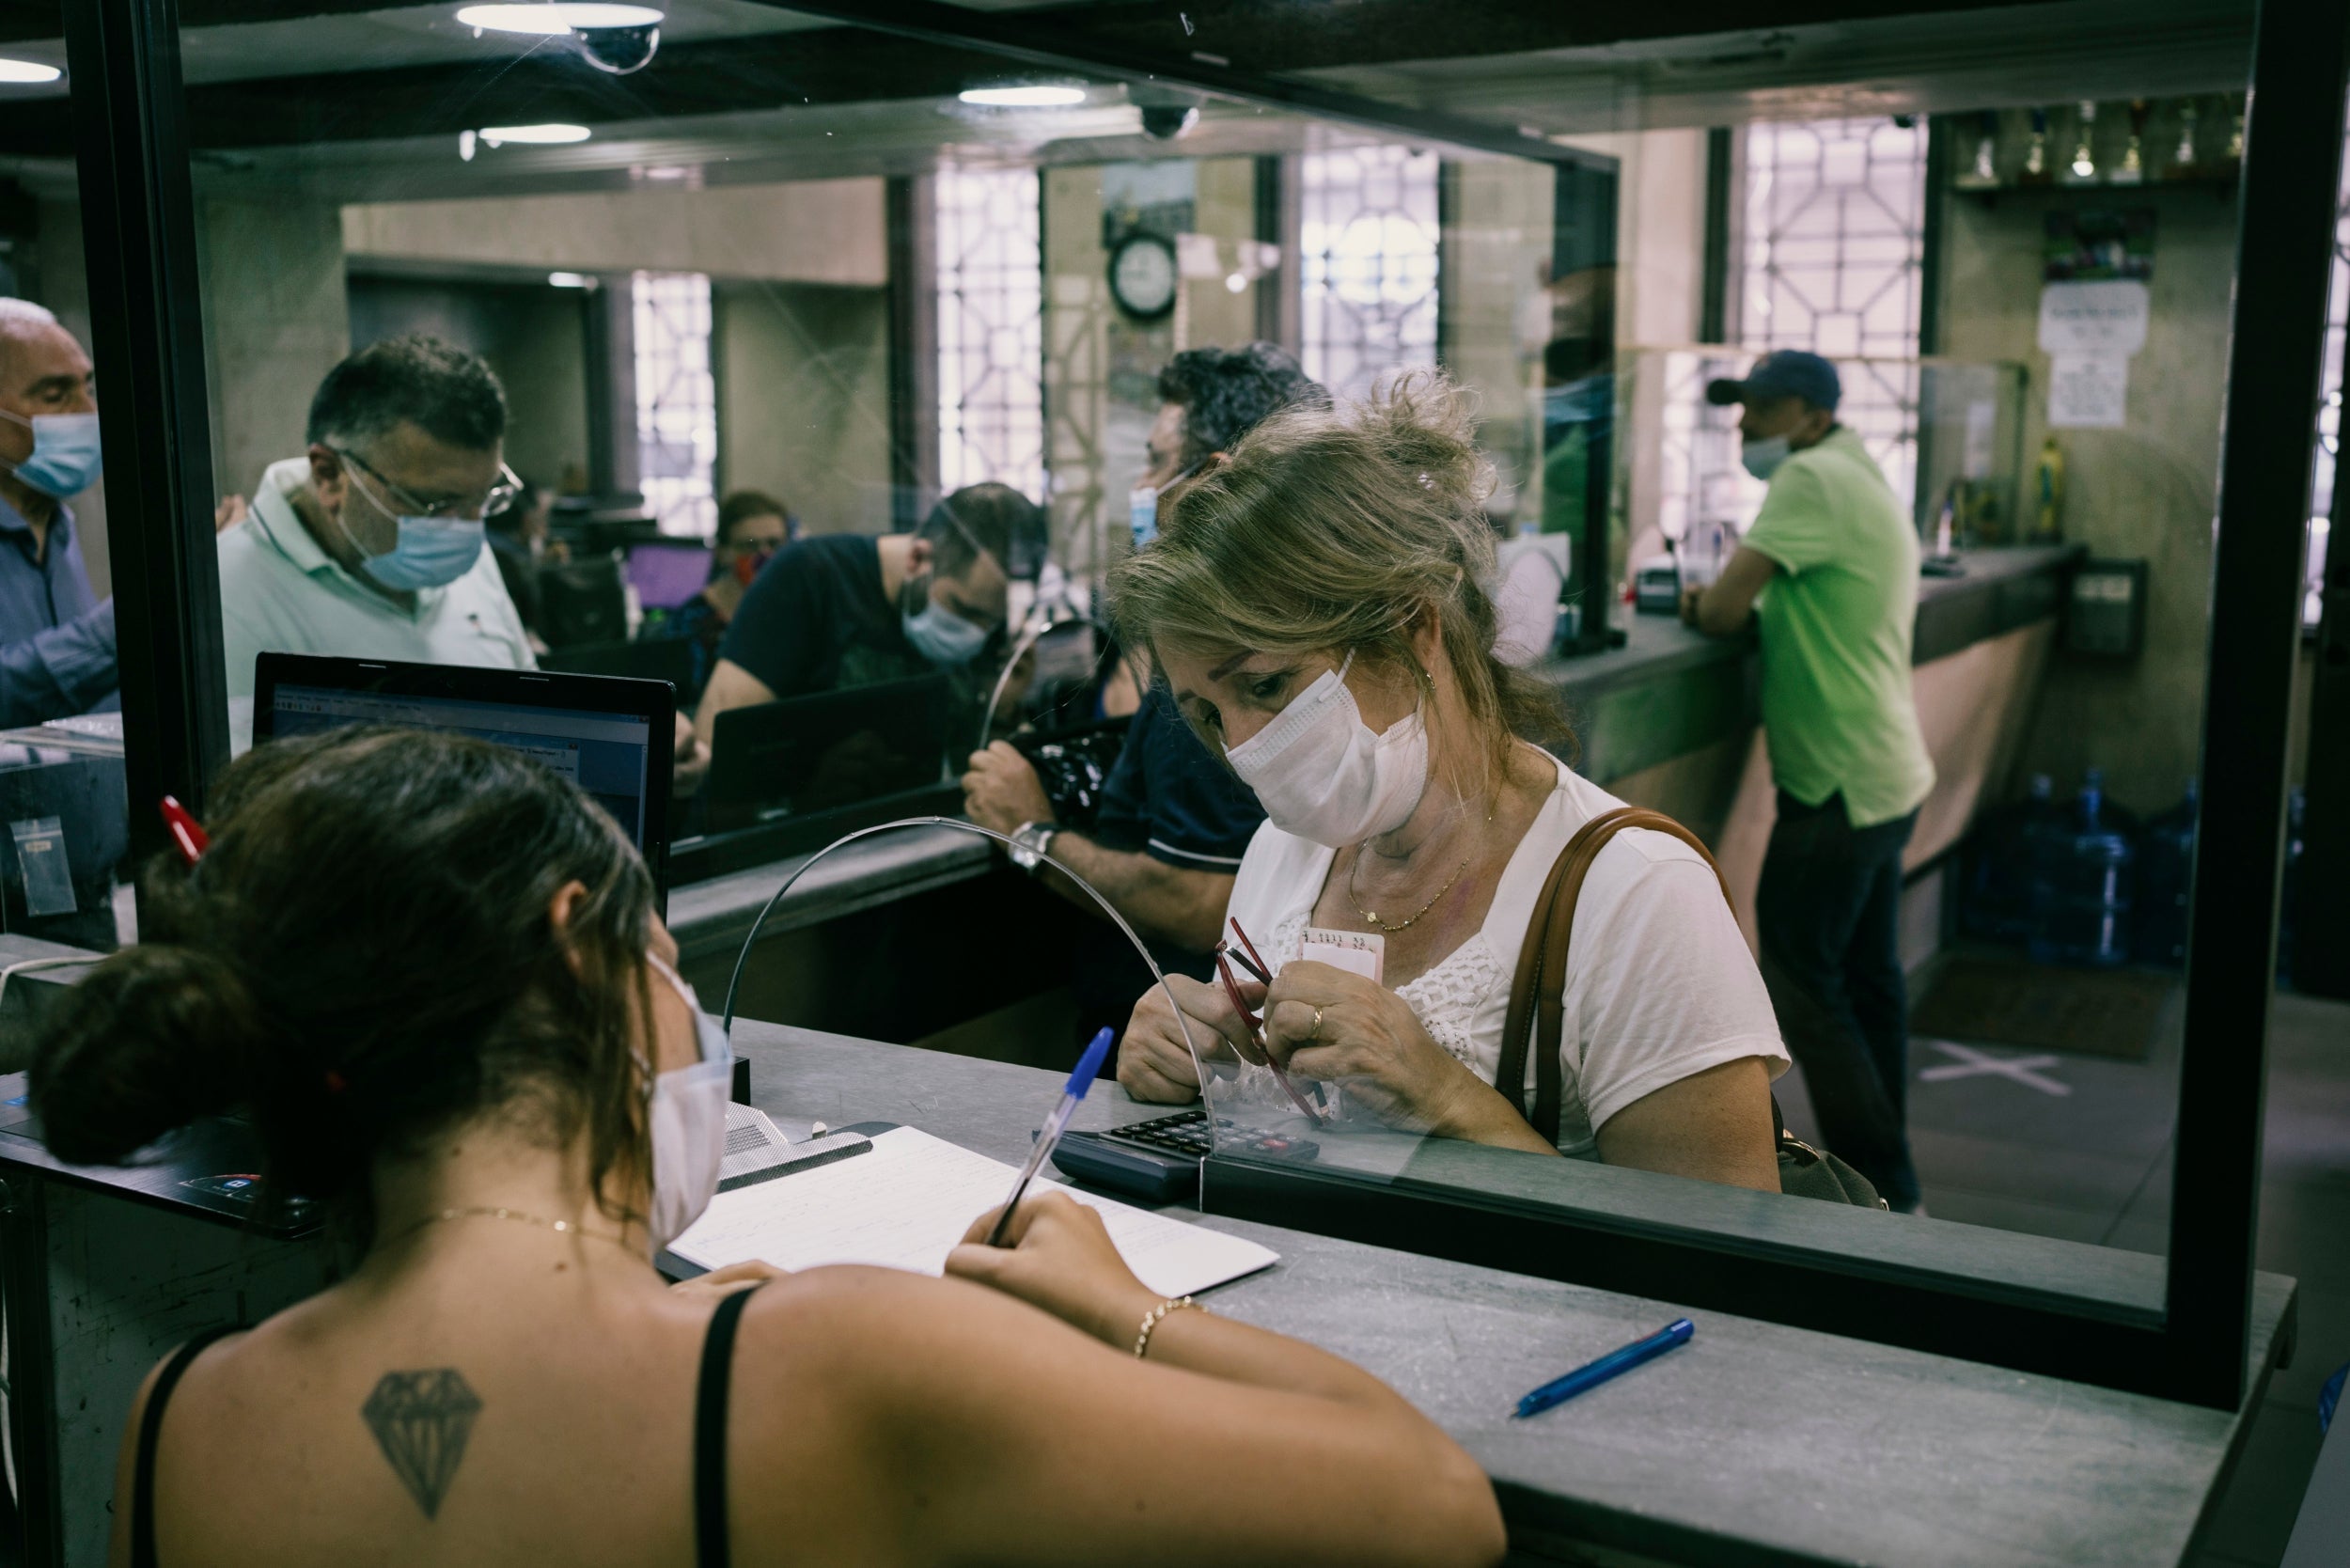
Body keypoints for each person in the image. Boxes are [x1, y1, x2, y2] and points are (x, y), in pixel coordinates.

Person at [30, 728, 1504, 1568]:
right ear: (579, 957)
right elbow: (1437, 1515)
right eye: (661, 958)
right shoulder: (815, 1360)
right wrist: (1114, 1299)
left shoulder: (179, 1423)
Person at [1111, 373, 1786, 1191]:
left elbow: (1721, 1265)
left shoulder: (1637, 895)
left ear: (1412, 626)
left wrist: (1443, 1097)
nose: (1246, 750)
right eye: (1209, 714)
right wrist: (1191, 1066)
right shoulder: (1281, 858)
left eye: (1264, 686)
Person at [961, 346, 1322, 960]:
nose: (1142, 488)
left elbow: (1206, 905)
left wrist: (1032, 834)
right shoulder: (1297, 624)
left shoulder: (1213, 667)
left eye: (1156, 463)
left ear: (1213, 480)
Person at [1681, 349, 1935, 1213]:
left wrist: (1704, 604)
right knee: (1867, 982)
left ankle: (1883, 1191)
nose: (1744, 426)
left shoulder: (1811, 482)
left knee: (1802, 980)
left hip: (1836, 785)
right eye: (1741, 407)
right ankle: (1901, 1187)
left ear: (1811, 416)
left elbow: (1720, 608)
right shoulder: (1858, 471)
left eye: (1760, 410)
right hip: (1884, 771)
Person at [215, 335, 536, 702]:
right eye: (437, 502)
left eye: (483, 497)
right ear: (330, 475)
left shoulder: (467, 549)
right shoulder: (227, 600)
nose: (467, 526)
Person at [694, 483, 1042, 754]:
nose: (976, 633)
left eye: (992, 621)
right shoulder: (809, 579)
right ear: (918, 559)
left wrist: (1001, 708)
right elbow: (717, 741)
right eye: (964, 610)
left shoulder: (987, 608)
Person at [0, 299, 115, 715]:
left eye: (88, 389)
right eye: (55, 395)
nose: (89, 413)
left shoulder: (57, 522)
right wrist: (116, 634)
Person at [643, 489, 791, 703]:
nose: (765, 556)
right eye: (750, 545)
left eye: (775, 544)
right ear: (723, 553)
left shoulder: (794, 609)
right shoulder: (693, 618)